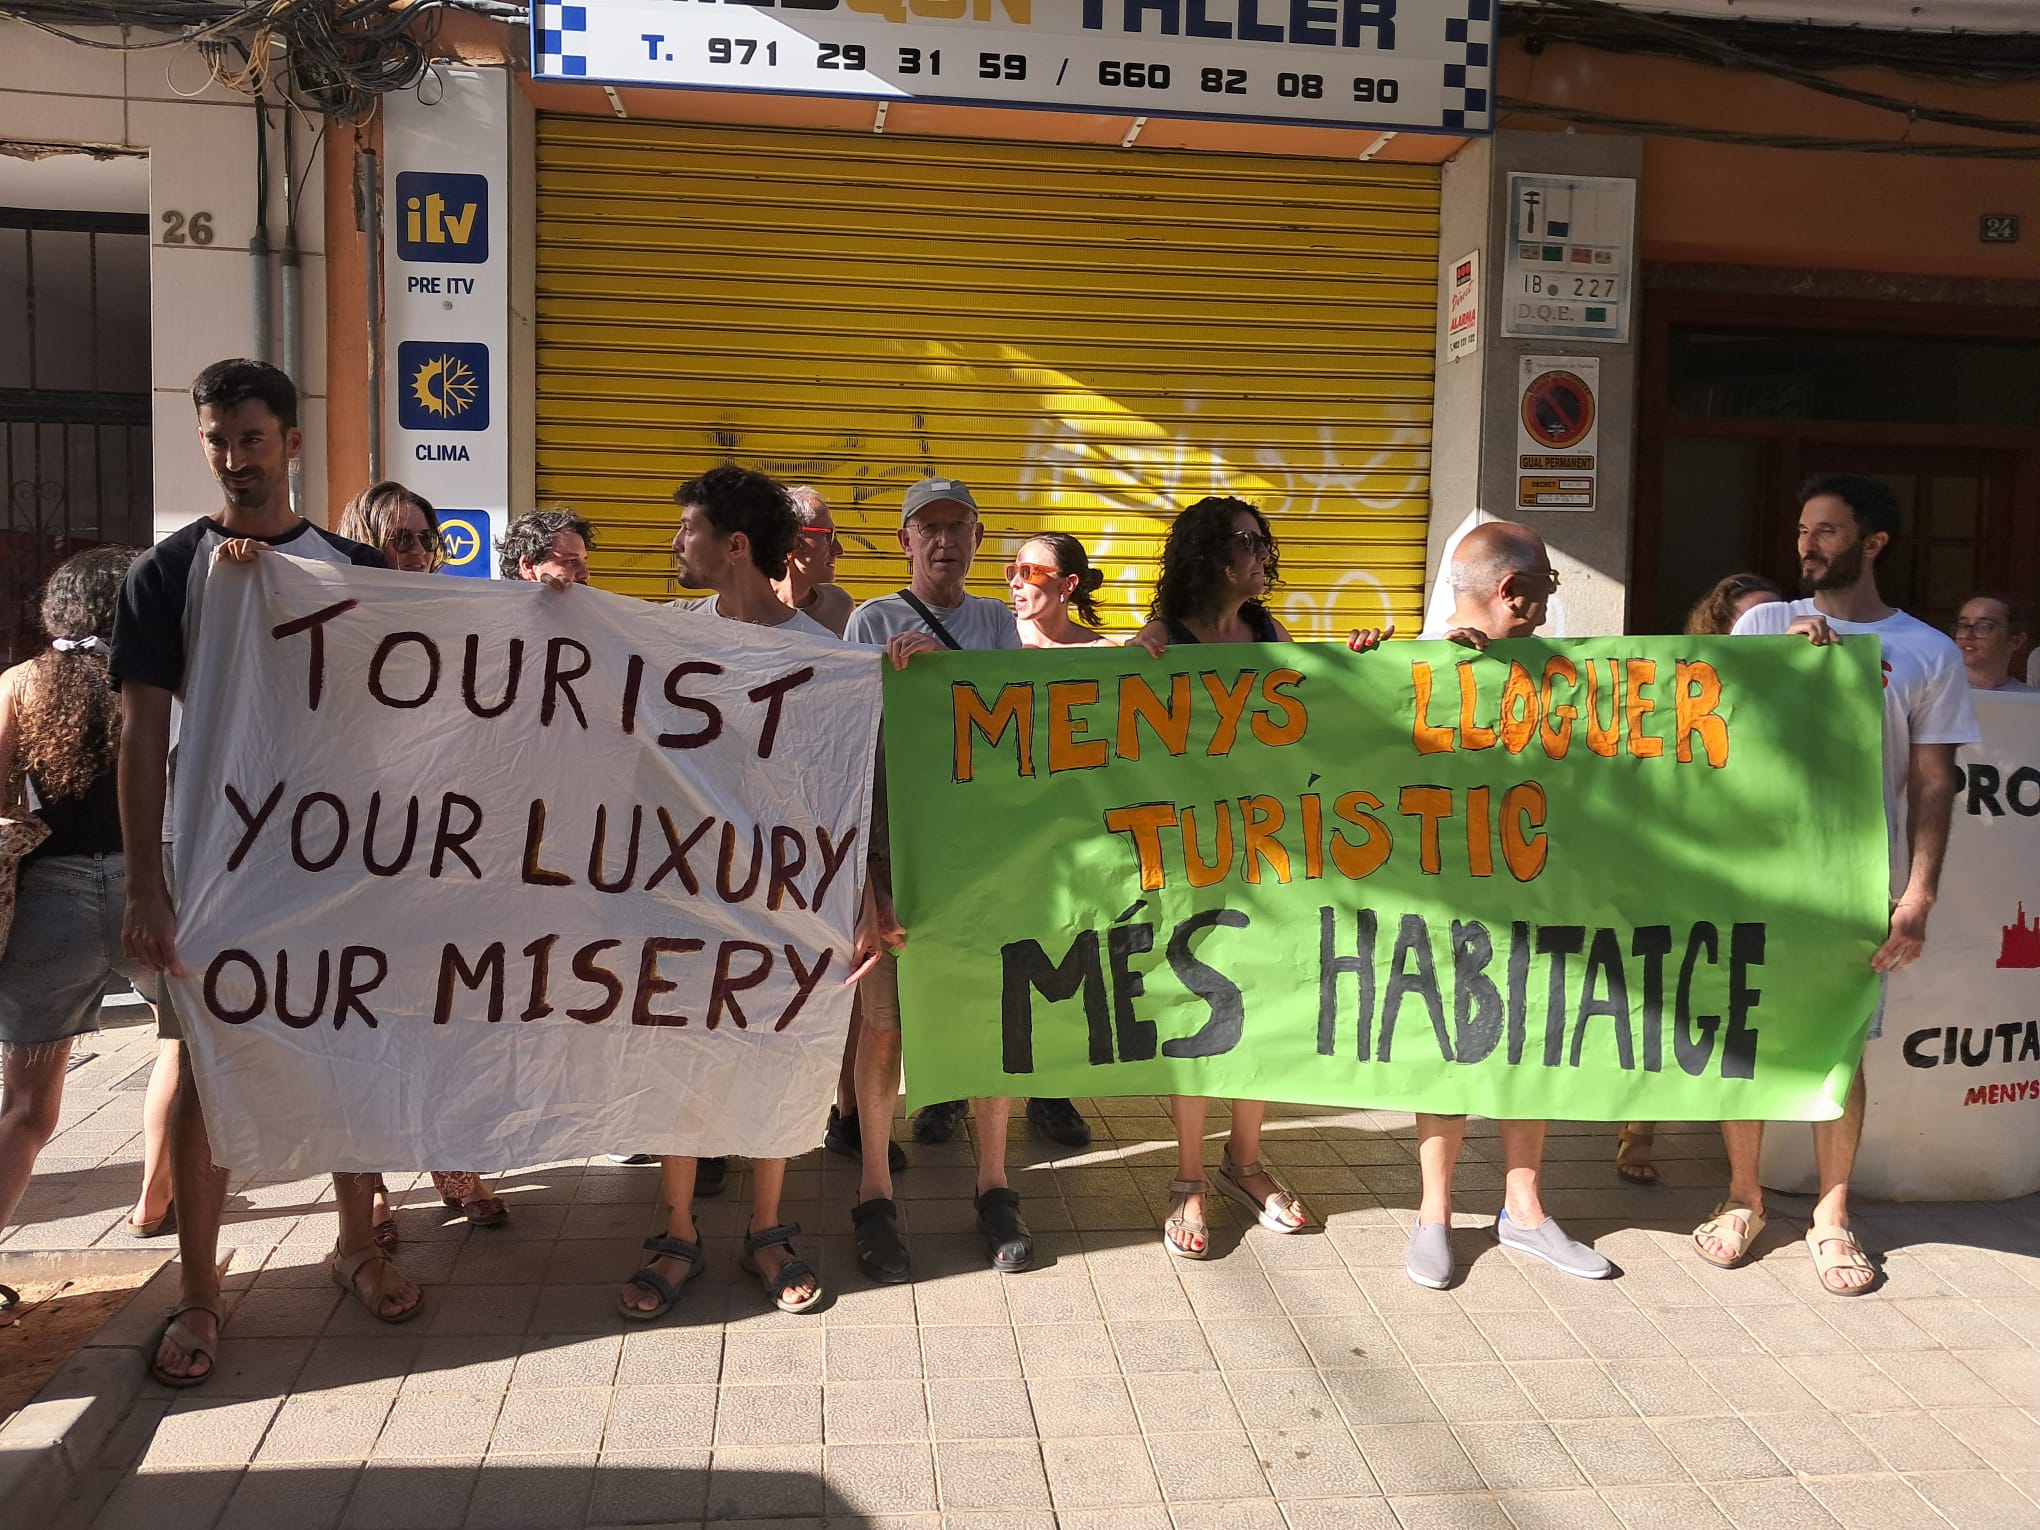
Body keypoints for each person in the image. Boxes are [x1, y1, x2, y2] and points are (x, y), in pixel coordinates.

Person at [113, 359, 422, 1388]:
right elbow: (141, 733)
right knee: (209, 1065)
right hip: (216, 870)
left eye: (253, 439)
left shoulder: (346, 567)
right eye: (217, 441)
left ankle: (355, 1245)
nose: (235, 459)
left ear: (292, 443)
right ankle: (200, 1289)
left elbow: (420, 700)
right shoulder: (167, 575)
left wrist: (550, 606)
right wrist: (146, 890)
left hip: (333, 868)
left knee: (345, 1052)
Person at [1695, 475, 1977, 1296]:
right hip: (1753, 876)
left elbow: (1933, 784)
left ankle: (1831, 1215)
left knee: (1839, 1045)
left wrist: (1918, 894)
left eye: (1825, 530)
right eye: (1801, 529)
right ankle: (1743, 1198)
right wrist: (1788, 671)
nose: (1806, 545)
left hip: (1857, 882)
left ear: (1873, 544)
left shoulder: (1928, 650)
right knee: (1739, 1034)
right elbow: (1717, 740)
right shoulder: (1764, 624)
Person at [840, 476, 1082, 1280]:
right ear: (905, 540)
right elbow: (843, 744)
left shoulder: (999, 625)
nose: (943, 541)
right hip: (891, 856)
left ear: (979, 540)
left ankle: (993, 1184)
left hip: (982, 861)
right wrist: (866, 881)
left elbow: (1025, 732)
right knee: (884, 1028)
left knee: (992, 1022)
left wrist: (953, 678)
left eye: (958, 527)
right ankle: (875, 1189)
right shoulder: (870, 621)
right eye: (927, 528)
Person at [1365, 521, 1615, 1289]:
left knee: (1528, 1040)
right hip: (1444, 898)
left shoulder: (1558, 672)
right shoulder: (1408, 666)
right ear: (1512, 592)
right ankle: (1434, 1215)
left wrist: (1799, 666)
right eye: (1546, 584)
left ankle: (1525, 1210)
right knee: (1446, 1045)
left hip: (1536, 893)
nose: (1549, 601)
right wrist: (1363, 670)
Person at [619, 465, 838, 1320]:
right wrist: (552, 597)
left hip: (782, 899)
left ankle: (768, 1228)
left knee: (773, 1052)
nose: (676, 544)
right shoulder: (668, 633)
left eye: (688, 530)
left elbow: (838, 790)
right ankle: (676, 1227)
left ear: (735, 545)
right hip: (677, 890)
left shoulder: (824, 658)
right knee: (681, 1055)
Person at [1125, 497, 1315, 1259]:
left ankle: (1245, 1160)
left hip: (1260, 848)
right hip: (1181, 851)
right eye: (1247, 541)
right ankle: (1191, 1175)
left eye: (1265, 541)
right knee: (1195, 1002)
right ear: (1209, 553)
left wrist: (1366, 659)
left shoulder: (1270, 634)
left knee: (1257, 994)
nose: (1262, 554)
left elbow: (1323, 708)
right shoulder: (1162, 638)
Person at [336, 480, 511, 1239]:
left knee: (448, 1016)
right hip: (359, 858)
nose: (416, 555)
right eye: (400, 540)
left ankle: (454, 1163)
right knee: (370, 1022)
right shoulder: (335, 619)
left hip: (447, 854)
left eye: (423, 540)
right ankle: (369, 1185)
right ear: (366, 543)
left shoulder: (455, 617)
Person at [0, 547, 160, 1307]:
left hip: (49, 903)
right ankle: (158, 1203)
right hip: (151, 892)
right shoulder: (153, 685)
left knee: (27, 1109)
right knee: (188, 1051)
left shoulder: (20, 686)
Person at [1614, 571, 1789, 1187]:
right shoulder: (1674, 692)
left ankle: (1737, 1147)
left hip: (1756, 873)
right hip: (1682, 867)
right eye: (1752, 623)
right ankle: (1639, 1131)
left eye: (1779, 619)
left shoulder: (1795, 699)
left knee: (1738, 1006)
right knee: (1666, 1003)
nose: (1770, 634)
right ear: (1717, 630)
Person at [773, 486, 855, 637]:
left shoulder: (839, 605)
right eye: (827, 536)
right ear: (792, 538)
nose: (839, 549)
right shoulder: (740, 609)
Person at [1010, 532, 1116, 648]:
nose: (1014, 583)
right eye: (1013, 572)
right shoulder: (994, 639)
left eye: (1027, 572)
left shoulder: (1100, 653)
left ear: (1068, 584)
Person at [1952, 594, 2033, 692]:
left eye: (1983, 626)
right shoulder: (1934, 693)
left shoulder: (2031, 700)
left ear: (2016, 641)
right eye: (1963, 625)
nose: (1967, 635)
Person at [497, 507, 594, 586]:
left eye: (584, 562)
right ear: (528, 566)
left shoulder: (591, 607)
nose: (585, 574)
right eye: (570, 561)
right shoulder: (497, 608)